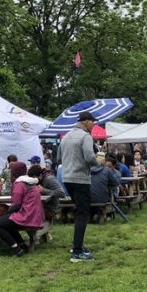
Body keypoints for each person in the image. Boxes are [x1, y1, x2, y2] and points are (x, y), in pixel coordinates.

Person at [57, 110, 99, 262]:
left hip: (67, 178)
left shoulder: (66, 136)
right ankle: (77, 252)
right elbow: (89, 157)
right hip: (80, 179)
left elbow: (58, 157)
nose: (94, 125)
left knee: (79, 212)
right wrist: (98, 162)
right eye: (93, 122)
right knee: (83, 214)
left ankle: (77, 245)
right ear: (87, 121)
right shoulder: (85, 136)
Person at [0, 162, 44, 256]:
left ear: (14, 172)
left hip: (26, 216)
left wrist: (6, 212)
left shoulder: (19, 184)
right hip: (34, 216)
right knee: (5, 221)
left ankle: (16, 249)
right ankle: (21, 245)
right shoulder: (30, 182)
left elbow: (16, 205)